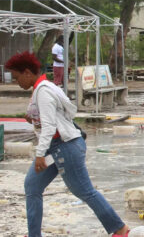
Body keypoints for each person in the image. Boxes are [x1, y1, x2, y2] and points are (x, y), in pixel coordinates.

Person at [5, 51, 130, 237]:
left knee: (84, 191)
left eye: (16, 78)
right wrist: (34, 119)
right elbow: (62, 114)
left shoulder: (44, 91)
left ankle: (119, 228)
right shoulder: (43, 87)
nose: (17, 83)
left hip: (65, 147)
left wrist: (40, 154)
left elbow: (49, 126)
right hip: (54, 147)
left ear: (27, 73)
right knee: (32, 186)